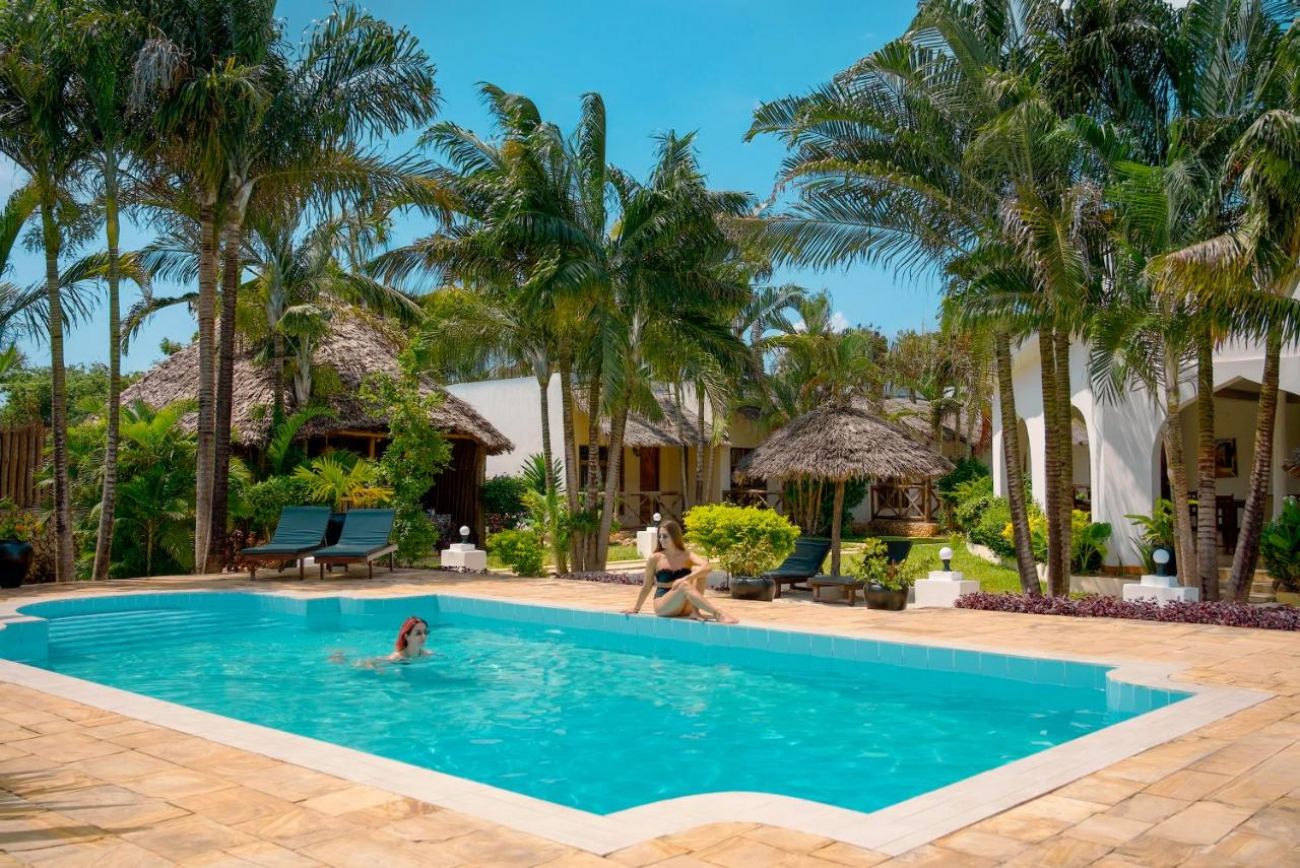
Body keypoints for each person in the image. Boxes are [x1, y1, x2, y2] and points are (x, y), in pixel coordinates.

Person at [624, 520, 738, 623]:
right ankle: (718, 613)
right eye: (660, 536)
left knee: (699, 571)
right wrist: (636, 608)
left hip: (685, 606)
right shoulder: (655, 558)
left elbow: (707, 567)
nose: (661, 539)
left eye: (665, 536)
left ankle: (695, 611)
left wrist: (686, 578)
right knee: (684, 585)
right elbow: (646, 586)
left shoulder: (686, 555)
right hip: (664, 605)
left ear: (674, 537)